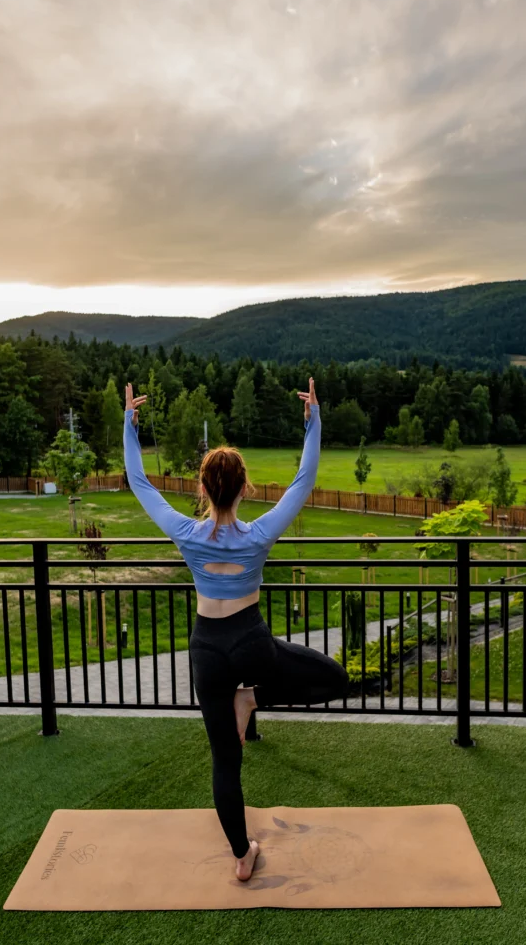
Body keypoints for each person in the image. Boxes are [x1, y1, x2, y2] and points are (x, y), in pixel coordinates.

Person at [123, 377, 349, 882]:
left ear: (202, 489)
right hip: (251, 644)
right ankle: (254, 699)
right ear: (245, 488)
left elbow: (140, 483)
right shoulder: (261, 533)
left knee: (225, 760)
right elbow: (304, 479)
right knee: (334, 679)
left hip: (207, 651)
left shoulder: (185, 532)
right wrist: (313, 421)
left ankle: (241, 855)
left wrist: (129, 427)